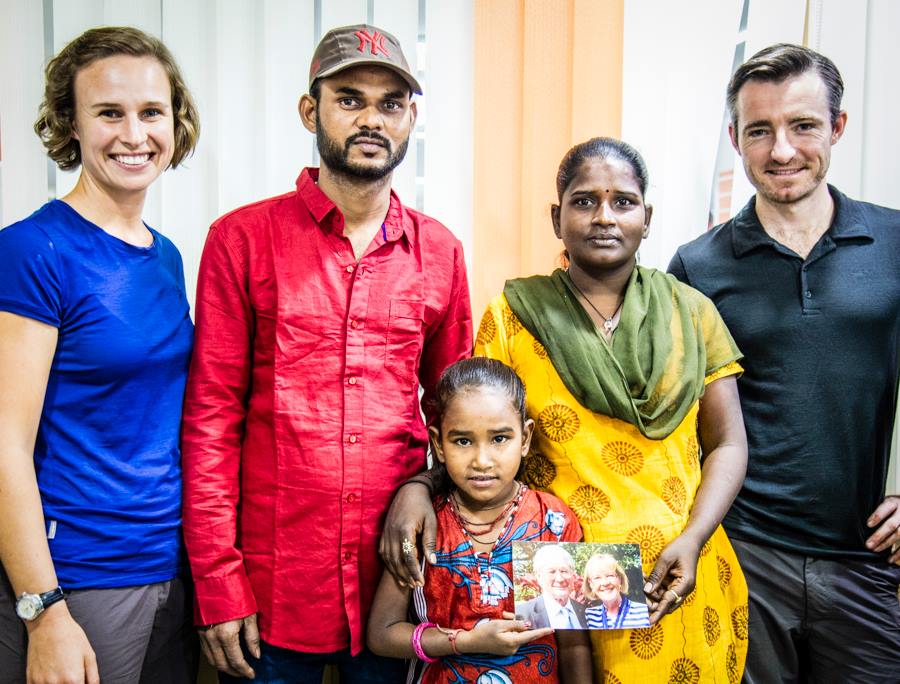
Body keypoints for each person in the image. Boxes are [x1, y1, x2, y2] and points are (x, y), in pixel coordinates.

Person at [384, 137, 750, 682]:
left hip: (677, 572)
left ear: (647, 218)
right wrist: (417, 487)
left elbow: (729, 442)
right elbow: (476, 429)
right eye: (584, 202)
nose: (604, 216)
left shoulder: (692, 313)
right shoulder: (513, 315)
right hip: (556, 571)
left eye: (623, 202)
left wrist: (693, 538)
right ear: (557, 218)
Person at [181, 23, 472, 682]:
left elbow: (458, 419)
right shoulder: (240, 241)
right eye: (350, 99)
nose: (371, 118)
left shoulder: (440, 253)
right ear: (311, 110)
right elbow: (209, 421)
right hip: (271, 589)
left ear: (411, 119)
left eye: (390, 103)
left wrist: (426, 486)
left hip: (396, 584)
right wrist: (218, 585)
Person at [668, 43, 900, 682]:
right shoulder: (697, 266)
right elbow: (676, 419)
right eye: (759, 131)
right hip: (745, 554)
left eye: (803, 126)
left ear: (838, 127)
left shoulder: (895, 242)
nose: (781, 151)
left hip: (868, 556)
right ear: (736, 138)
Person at [0, 26, 200, 684]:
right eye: (108, 113)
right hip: (77, 580)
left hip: (166, 568)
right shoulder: (33, 251)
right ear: (72, 125)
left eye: (151, 112)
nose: (133, 134)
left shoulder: (165, 254)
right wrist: (43, 611)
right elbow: (3, 440)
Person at [367, 358, 593, 683]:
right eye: (462, 441)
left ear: (526, 438)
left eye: (500, 438)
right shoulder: (423, 524)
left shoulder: (552, 522)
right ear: (438, 444)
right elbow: (383, 634)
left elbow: (573, 644)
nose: (482, 460)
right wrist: (466, 641)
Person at [516, 545, 588, 630]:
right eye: (551, 572)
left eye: (564, 571)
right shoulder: (521, 614)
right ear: (538, 576)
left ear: (572, 574)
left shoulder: (586, 612)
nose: (560, 579)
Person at [582, 554, 650, 630]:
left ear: (620, 579)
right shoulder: (589, 615)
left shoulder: (643, 611)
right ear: (590, 583)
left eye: (610, 575)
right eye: (597, 578)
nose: (605, 583)